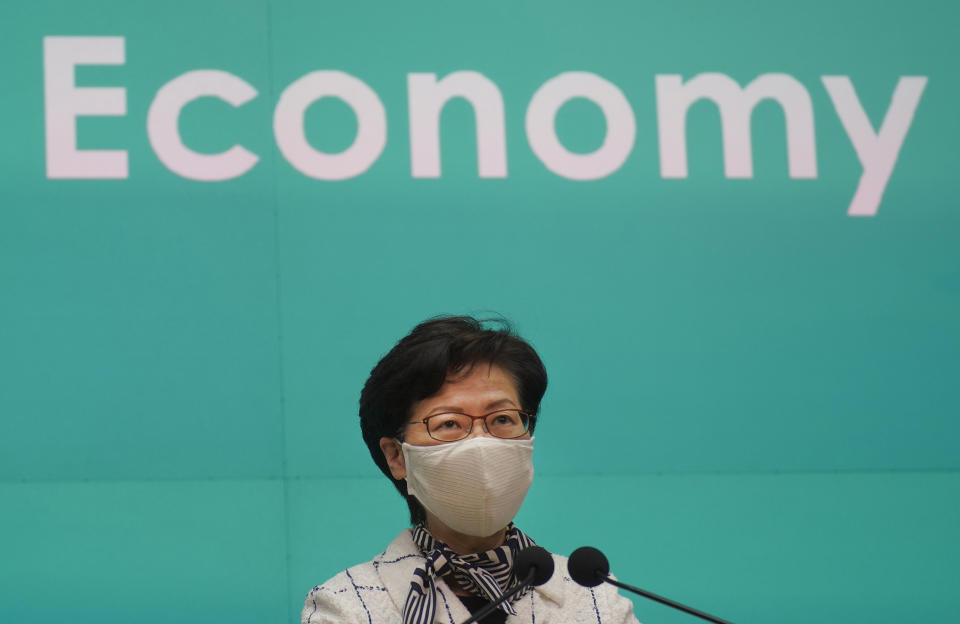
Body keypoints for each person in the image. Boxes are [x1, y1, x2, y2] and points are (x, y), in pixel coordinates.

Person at [302, 316, 639, 624]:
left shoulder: (594, 596)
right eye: (449, 423)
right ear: (397, 457)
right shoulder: (347, 605)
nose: (481, 444)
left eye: (502, 419)